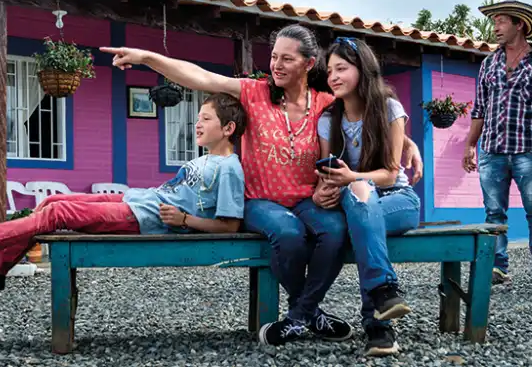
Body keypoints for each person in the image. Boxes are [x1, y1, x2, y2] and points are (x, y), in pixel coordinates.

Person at [102, 23, 425, 356]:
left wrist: (408, 143)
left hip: (307, 198)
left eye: (287, 59)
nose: (276, 65)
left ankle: (302, 315)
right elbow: (198, 77)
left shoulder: (325, 103)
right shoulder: (251, 92)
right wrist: (147, 57)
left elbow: (365, 112)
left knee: (335, 229)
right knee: (288, 235)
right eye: (273, 57)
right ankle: (310, 313)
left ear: (308, 64)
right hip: (261, 200)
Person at [0, 93, 248, 290]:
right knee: (51, 201)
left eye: (206, 118)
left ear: (228, 128)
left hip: (146, 217)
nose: (197, 124)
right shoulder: (204, 159)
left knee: (59, 214)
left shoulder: (230, 168)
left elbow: (230, 225)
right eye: (198, 118)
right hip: (138, 199)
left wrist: (185, 219)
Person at [315, 36, 421, 357]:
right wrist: (325, 190)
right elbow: (326, 175)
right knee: (360, 206)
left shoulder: (389, 108)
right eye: (330, 69)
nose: (333, 76)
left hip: (399, 200)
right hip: (355, 204)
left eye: (341, 68)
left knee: (361, 202)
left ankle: (378, 317)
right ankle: (382, 302)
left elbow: (390, 172)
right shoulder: (327, 120)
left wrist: (351, 178)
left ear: (363, 69)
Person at [462, 0, 532, 286]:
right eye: (493, 22)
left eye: (501, 21)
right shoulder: (488, 64)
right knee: (494, 211)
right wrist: (471, 145)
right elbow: (479, 109)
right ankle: (498, 267)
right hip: (492, 151)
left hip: (529, 150)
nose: (495, 28)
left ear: (519, 24)